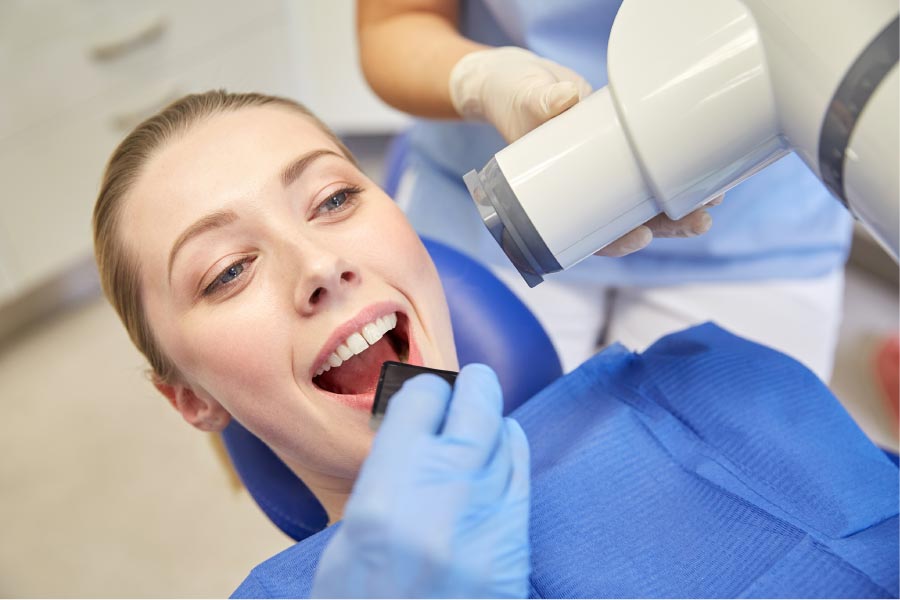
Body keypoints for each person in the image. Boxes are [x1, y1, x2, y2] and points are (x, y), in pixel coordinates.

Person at [92, 91, 896, 598]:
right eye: (228, 271)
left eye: (334, 198)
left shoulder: (706, 385)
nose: (320, 266)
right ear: (189, 396)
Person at [356, 0, 853, 379]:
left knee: (739, 493)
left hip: (763, 223)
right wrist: (483, 81)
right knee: (432, 447)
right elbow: (396, 21)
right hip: (501, 191)